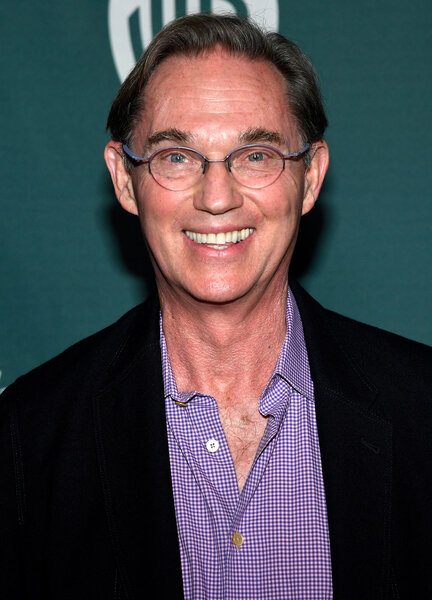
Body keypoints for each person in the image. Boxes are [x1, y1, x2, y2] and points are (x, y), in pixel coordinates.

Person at [1, 12, 430, 600]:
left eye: (255, 155)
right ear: (126, 182)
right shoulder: (29, 437)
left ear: (310, 179)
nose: (217, 197)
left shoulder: (423, 412)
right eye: (176, 156)